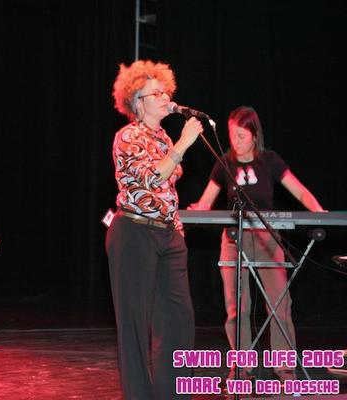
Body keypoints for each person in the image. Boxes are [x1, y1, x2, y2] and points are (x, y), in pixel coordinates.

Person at [188, 106, 325, 382]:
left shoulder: (269, 160)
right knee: (237, 307)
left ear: (254, 135)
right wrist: (196, 210)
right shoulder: (224, 163)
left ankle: (285, 369)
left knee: (279, 303)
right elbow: (205, 202)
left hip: (266, 237)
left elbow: (300, 191)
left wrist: (320, 213)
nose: (236, 141)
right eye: (232, 135)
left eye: (241, 136)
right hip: (234, 238)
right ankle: (242, 367)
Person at [105, 60, 203, 399]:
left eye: (165, 92)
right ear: (137, 102)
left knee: (178, 319)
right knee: (133, 325)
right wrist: (184, 144)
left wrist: (176, 229)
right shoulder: (127, 136)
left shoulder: (163, 137)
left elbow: (168, 192)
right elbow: (151, 179)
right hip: (134, 233)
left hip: (166, 234)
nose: (165, 98)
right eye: (156, 94)